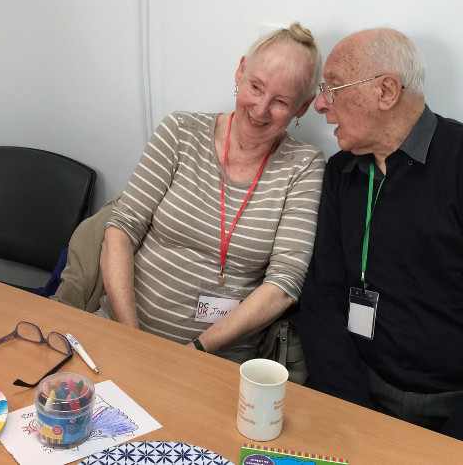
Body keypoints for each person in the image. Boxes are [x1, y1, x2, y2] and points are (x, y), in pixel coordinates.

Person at [98, 22, 326, 363]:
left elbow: (284, 283)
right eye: (255, 87)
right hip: (122, 332)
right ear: (240, 71)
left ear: (303, 107)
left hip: (215, 361)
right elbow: (121, 231)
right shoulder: (181, 132)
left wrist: (197, 352)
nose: (261, 109)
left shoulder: (303, 166)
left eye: (280, 101)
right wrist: (132, 338)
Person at [300, 28, 463, 440]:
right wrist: (355, 418)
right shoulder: (341, 173)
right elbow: (322, 298)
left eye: (332, 88)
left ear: (386, 91)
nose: (319, 104)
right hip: (355, 392)